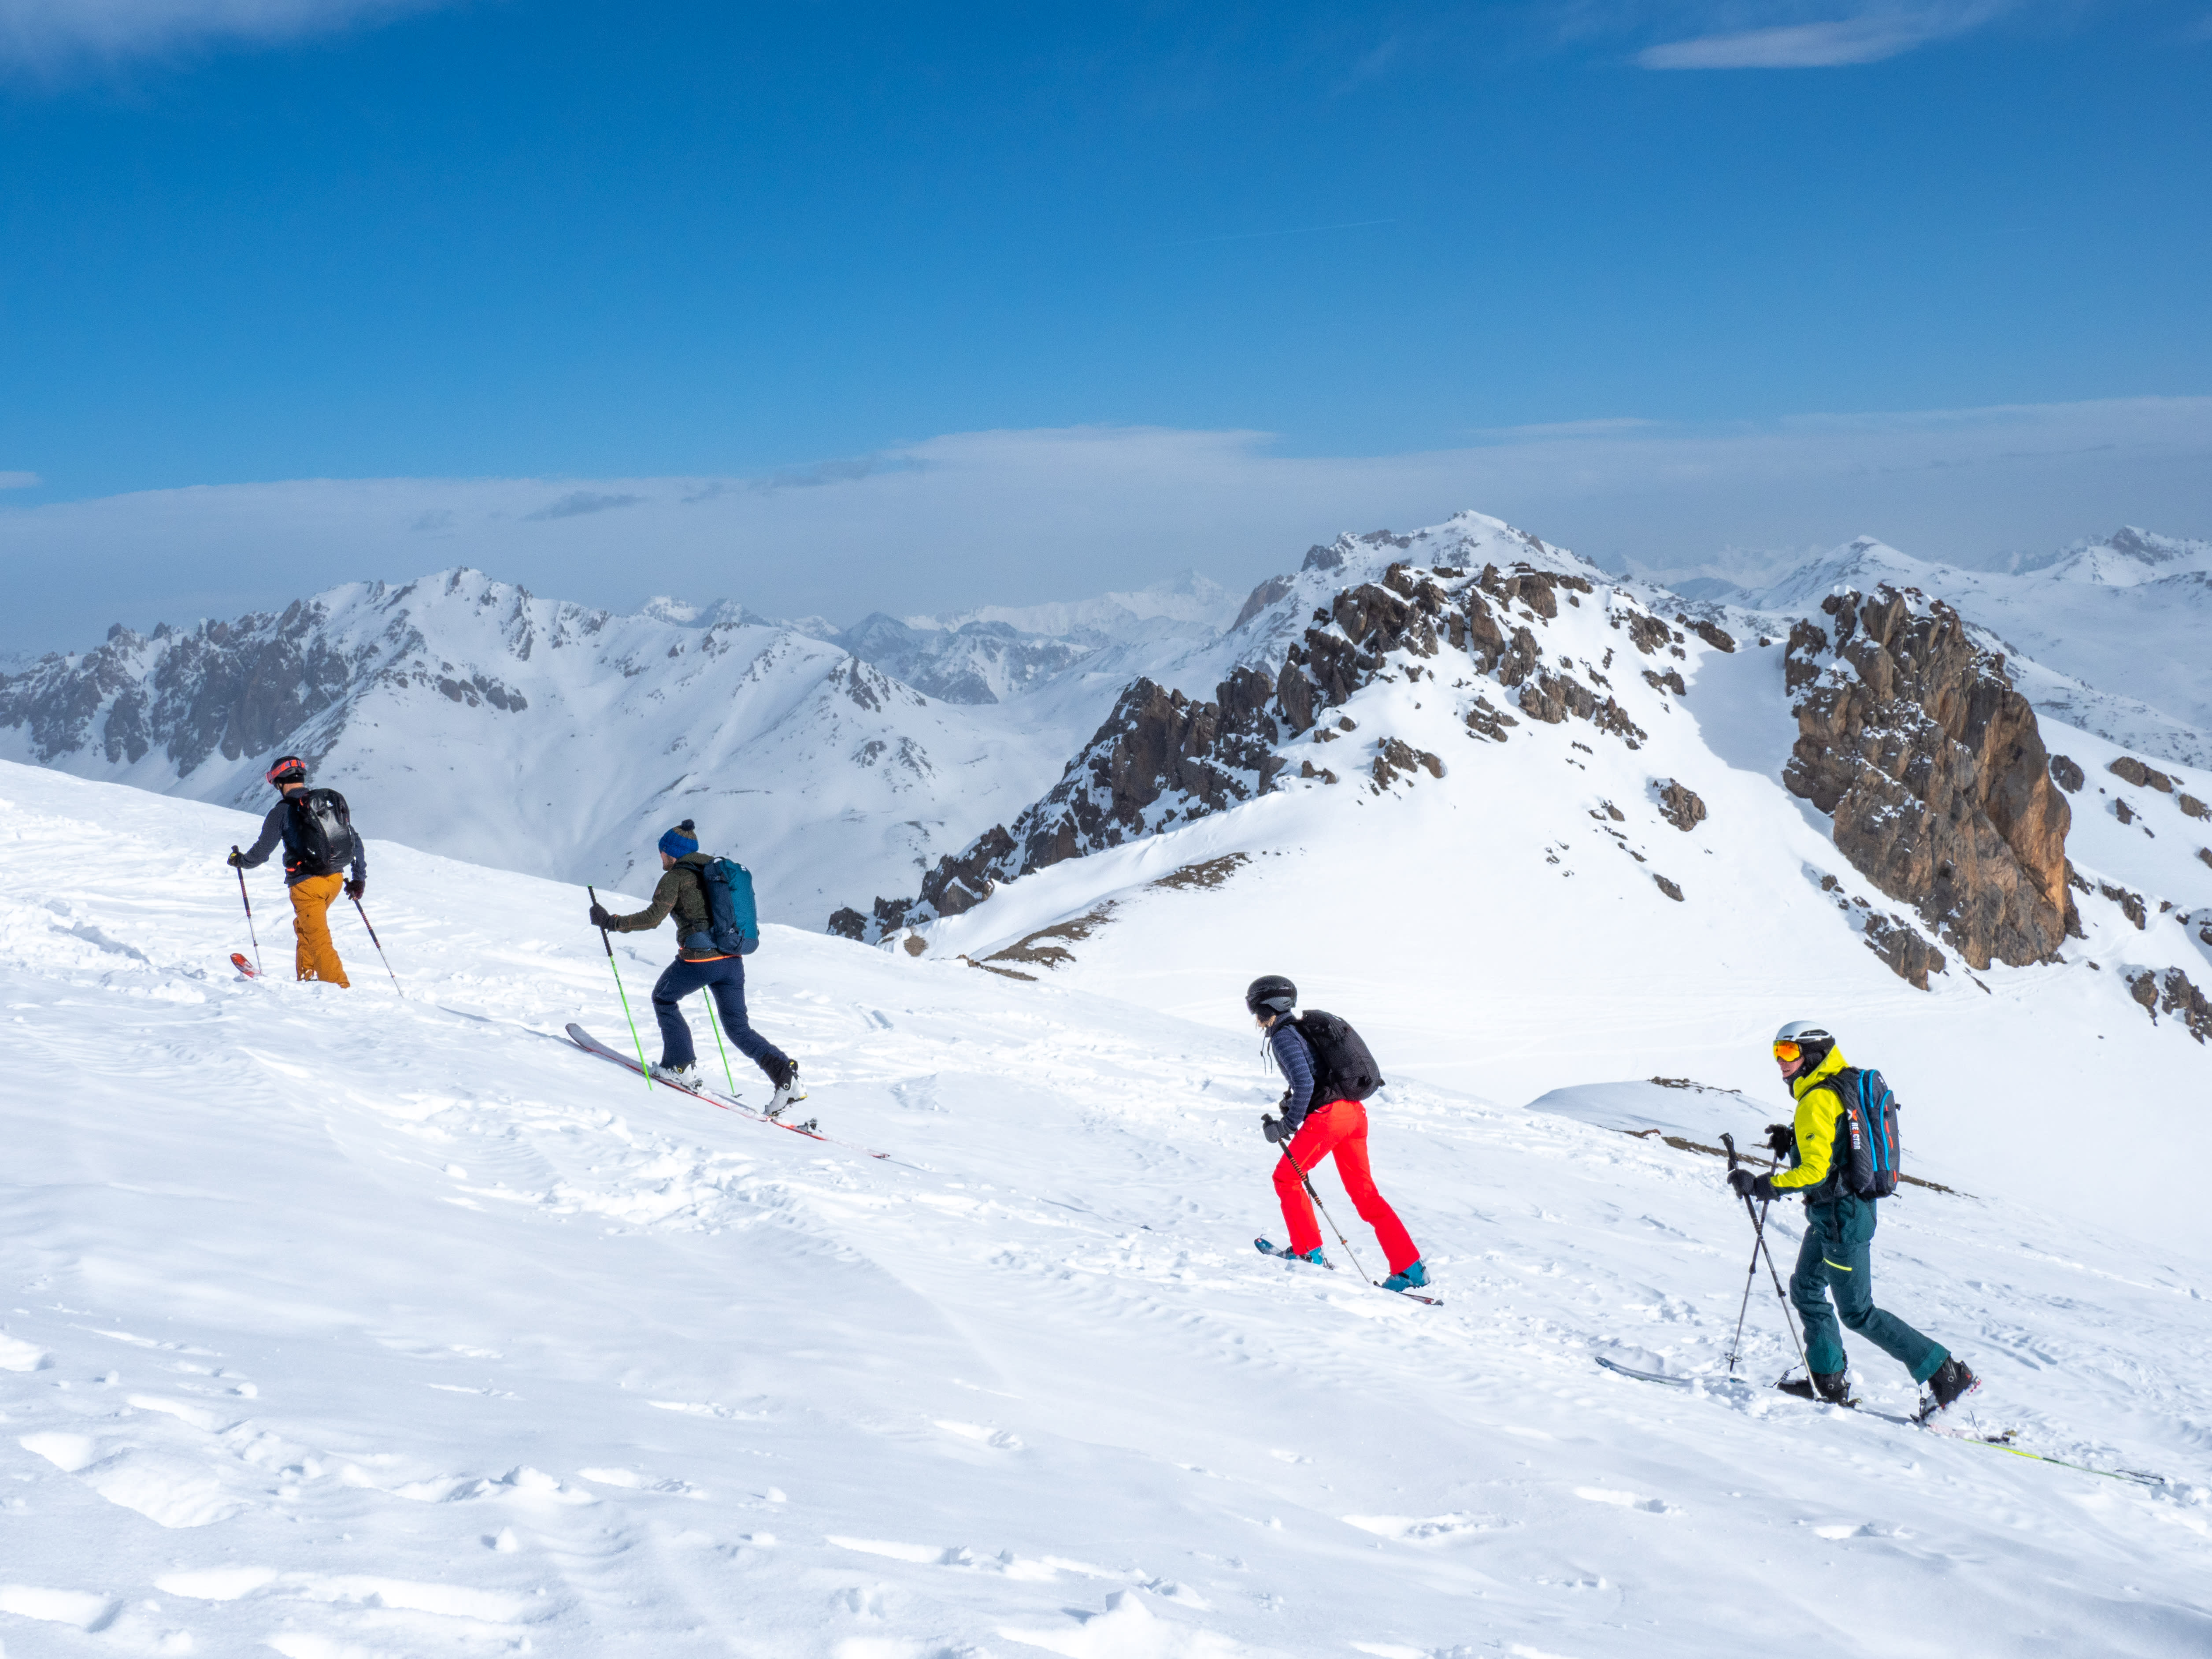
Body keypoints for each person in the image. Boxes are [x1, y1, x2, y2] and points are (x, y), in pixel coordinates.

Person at [1731, 1020, 1977, 1413]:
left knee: (1858, 1311)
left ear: (1812, 1055)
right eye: (1777, 1052)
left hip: (1841, 1217)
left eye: (1790, 1052)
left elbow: (1814, 1171)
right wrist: (1792, 1137)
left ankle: (1946, 1373)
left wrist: (1764, 1185)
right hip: (1841, 1212)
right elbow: (1841, 1139)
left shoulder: (1816, 1099)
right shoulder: (1841, 1083)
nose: (1781, 1061)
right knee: (1805, 1288)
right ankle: (1826, 1381)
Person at [590, 821, 805, 1113]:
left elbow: (652, 918)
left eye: (662, 852)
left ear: (671, 853)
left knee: (664, 998)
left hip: (701, 960)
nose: (661, 857)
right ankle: (785, 1078)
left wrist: (610, 922)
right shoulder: (714, 872)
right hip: (732, 959)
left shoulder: (676, 877)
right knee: (738, 1028)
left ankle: (679, 1066)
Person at [1248, 974, 1428, 1293]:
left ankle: (1308, 1253)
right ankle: (1410, 1268)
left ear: (1265, 1006)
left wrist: (1288, 1125)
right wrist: (1292, 1110)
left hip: (1330, 1118)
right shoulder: (1302, 1030)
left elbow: (1305, 1083)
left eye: (1254, 1008)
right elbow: (1313, 1080)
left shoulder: (1285, 1037)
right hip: (1354, 1115)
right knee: (1365, 1195)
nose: (1254, 1016)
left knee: (1286, 1178)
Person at [228, 755, 366, 986]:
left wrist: (241, 861)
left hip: (306, 886)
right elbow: (355, 841)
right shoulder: (325, 805)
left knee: (319, 940)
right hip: (334, 880)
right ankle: (308, 977)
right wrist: (358, 879)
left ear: (279, 782)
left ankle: (339, 990)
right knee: (304, 927)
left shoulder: (281, 811)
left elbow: (262, 852)